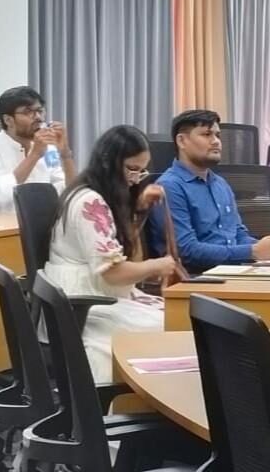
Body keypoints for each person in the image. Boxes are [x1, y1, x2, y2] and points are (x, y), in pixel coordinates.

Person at [44, 125, 176, 382]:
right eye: (131, 169)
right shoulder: (90, 202)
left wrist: (138, 211)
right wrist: (158, 265)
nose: (136, 179)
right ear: (108, 162)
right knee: (169, 324)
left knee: (173, 316)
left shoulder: (90, 192)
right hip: (83, 305)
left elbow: (121, 254)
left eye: (142, 171)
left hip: (89, 296)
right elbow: (114, 272)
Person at [147, 110, 270, 273]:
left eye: (217, 135)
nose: (216, 141)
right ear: (182, 141)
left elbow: (238, 234)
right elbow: (186, 251)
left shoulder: (220, 184)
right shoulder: (169, 187)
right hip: (197, 278)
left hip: (233, 271)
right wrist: (252, 251)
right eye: (206, 134)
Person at [0, 86, 76, 214]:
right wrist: (34, 155)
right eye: (28, 112)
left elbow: (67, 191)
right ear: (8, 120)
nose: (38, 117)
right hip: (1, 224)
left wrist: (65, 154)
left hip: (43, 221)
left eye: (40, 111)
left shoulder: (48, 148)